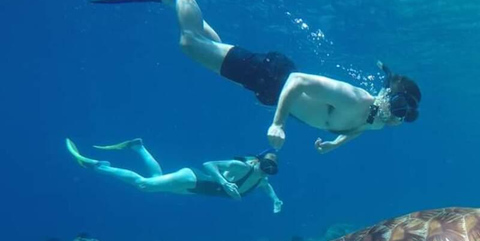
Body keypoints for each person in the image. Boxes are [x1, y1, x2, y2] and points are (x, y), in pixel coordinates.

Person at [89, 0, 422, 154]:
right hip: (272, 76)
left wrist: (336, 143)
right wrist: (279, 123)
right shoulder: (357, 98)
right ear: (386, 94)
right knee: (189, 44)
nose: (399, 117)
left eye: (406, 114)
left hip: (266, 87)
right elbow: (298, 82)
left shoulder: (377, 120)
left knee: (211, 48)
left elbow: (360, 129)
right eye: (400, 106)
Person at [65, 138, 284, 213]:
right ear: (257, 160)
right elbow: (209, 164)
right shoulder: (242, 167)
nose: (267, 170)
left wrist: (275, 200)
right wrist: (225, 182)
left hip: (194, 190)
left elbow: (267, 188)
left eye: (271, 169)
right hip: (193, 179)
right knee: (144, 185)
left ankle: (138, 147)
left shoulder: (261, 179)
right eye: (266, 164)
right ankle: (98, 165)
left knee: (154, 179)